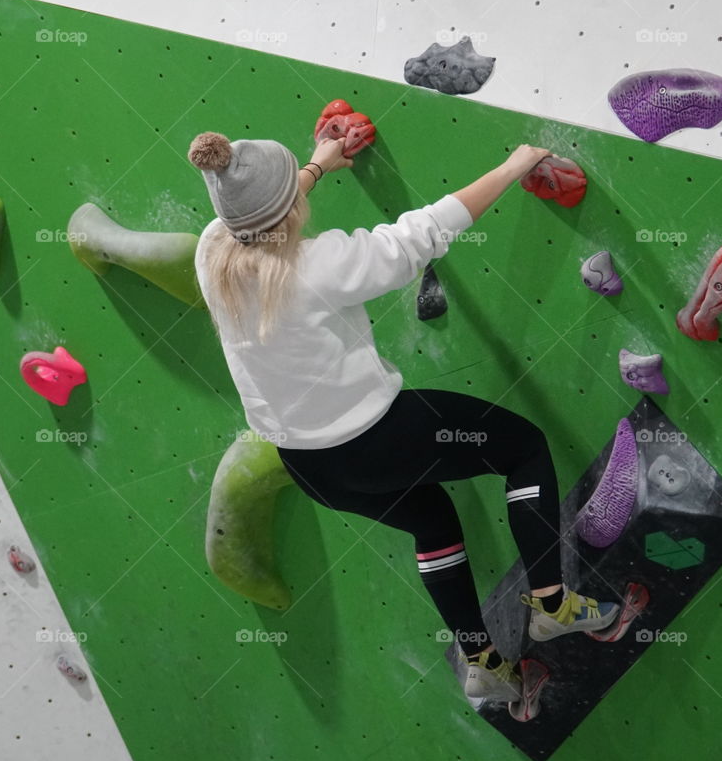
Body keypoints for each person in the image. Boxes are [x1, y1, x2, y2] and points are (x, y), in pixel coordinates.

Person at [189, 131, 617, 705]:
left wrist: (317, 165)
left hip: (311, 469)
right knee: (524, 450)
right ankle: (552, 603)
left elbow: (257, 215)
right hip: (376, 440)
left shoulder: (212, 250)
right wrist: (514, 164)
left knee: (433, 522)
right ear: (290, 205)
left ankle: (484, 662)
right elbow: (422, 234)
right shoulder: (319, 265)